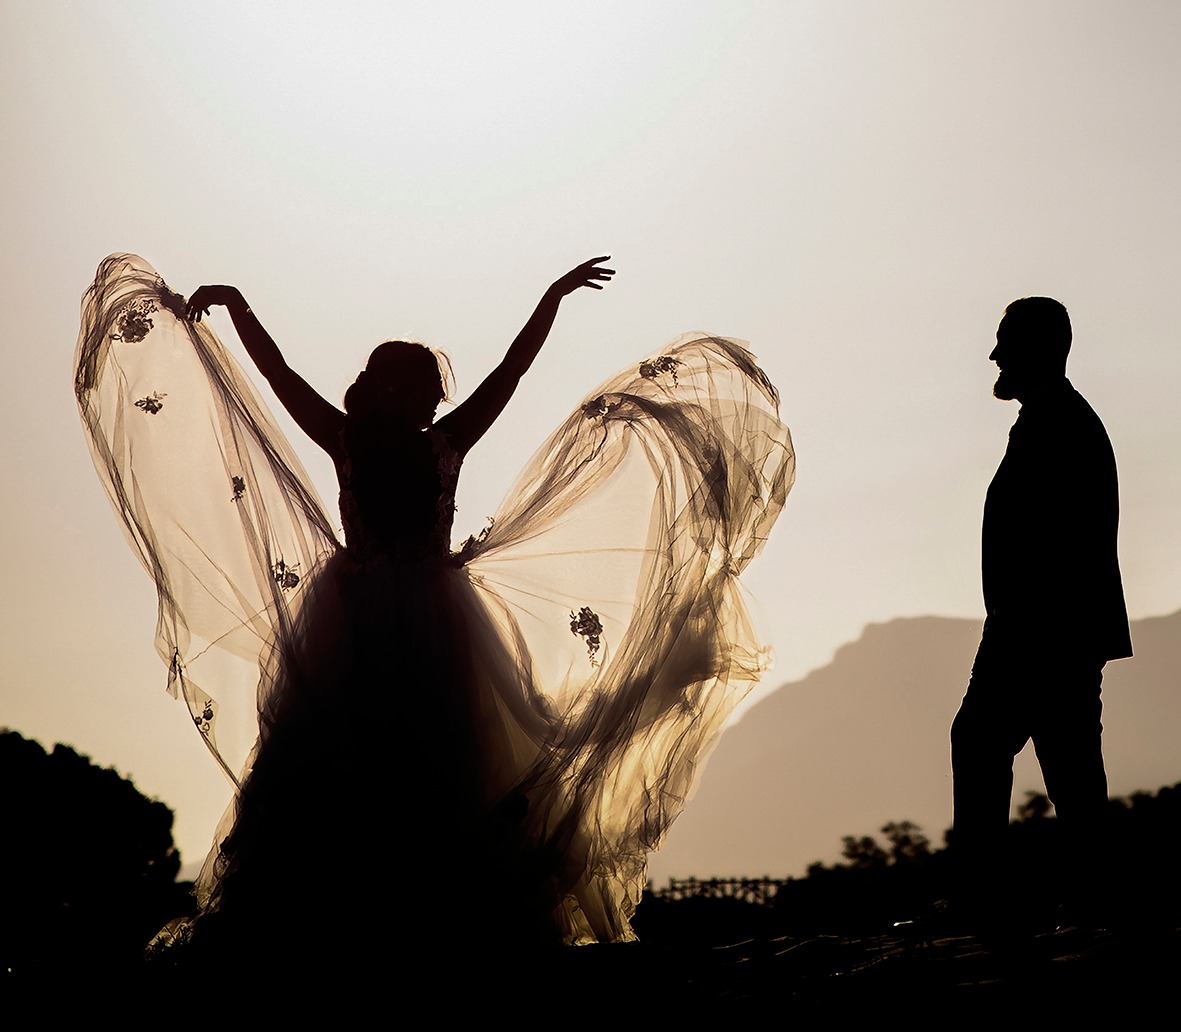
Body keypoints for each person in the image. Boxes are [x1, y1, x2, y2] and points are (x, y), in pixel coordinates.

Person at [74, 253, 795, 955]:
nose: (427, 399)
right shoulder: (348, 437)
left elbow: (510, 372)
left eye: (427, 389)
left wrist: (551, 297)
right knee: (337, 765)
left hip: (427, 621)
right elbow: (280, 377)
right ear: (384, 389)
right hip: (357, 623)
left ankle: (443, 925)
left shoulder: (443, 440)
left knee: (435, 765)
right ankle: (320, 925)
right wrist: (236, 308)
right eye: (415, 385)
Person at [950, 297, 1131, 927]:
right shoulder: (1057, 420)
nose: (995, 354)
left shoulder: (1060, 424)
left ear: (1040, 348)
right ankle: (1091, 896)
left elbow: (1056, 541)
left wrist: (1018, 622)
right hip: (1054, 628)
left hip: (1038, 629)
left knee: (982, 745)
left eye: (1005, 341)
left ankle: (985, 901)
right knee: (1071, 766)